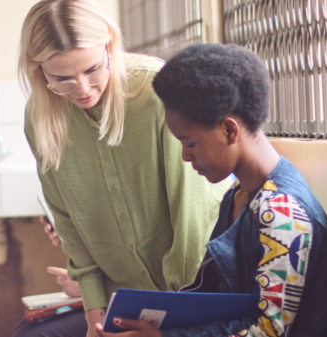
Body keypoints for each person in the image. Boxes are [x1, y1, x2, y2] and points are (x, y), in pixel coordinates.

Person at [14, 1, 229, 336]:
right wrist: (93, 311)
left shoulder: (157, 92)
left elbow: (191, 214)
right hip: (123, 296)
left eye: (92, 69)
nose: (82, 89)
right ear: (37, 70)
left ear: (110, 46)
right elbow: (67, 221)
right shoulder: (41, 117)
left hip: (191, 290)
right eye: (62, 79)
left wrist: (172, 315)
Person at [95, 44, 327, 337]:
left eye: (190, 143)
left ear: (229, 130)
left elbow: (269, 331)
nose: (185, 156)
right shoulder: (239, 195)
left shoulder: (282, 212)